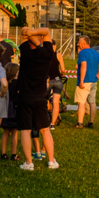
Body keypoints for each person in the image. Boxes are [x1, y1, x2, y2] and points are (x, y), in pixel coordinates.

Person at [16, 27, 59, 170]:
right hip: (41, 96)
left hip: (25, 96)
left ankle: (29, 163)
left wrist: (28, 33)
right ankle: (51, 161)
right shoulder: (48, 54)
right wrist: (34, 34)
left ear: (29, 44)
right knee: (45, 129)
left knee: (25, 131)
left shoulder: (26, 53)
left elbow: (23, 33)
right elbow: (47, 30)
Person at [74, 36, 99, 129]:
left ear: (84, 44)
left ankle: (80, 123)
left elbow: (84, 66)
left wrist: (81, 80)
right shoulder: (95, 53)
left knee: (81, 103)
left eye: (79, 42)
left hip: (85, 82)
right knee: (92, 102)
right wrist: (98, 74)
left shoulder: (82, 53)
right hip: (94, 82)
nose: (78, 44)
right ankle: (91, 122)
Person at [0, 63, 20, 161]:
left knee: (5, 132)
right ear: (16, 72)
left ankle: (3, 153)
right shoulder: (18, 83)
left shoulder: (5, 83)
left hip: (5, 108)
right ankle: (13, 154)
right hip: (15, 108)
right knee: (14, 133)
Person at [48, 46, 65, 129]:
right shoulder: (58, 55)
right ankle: (53, 124)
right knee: (56, 102)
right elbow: (63, 69)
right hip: (58, 80)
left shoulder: (44, 55)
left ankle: (44, 119)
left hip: (47, 80)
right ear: (54, 46)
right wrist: (61, 75)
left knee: (44, 100)